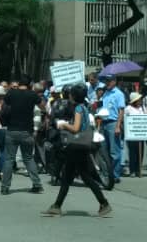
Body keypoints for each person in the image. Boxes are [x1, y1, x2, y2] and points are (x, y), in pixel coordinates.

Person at [42, 84, 111, 217]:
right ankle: (57, 206)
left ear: (73, 96)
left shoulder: (78, 109)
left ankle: (103, 203)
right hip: (82, 145)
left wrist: (63, 125)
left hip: (76, 146)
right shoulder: (84, 107)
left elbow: (76, 128)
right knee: (72, 176)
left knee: (78, 177)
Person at [0, 76, 45, 195]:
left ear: (19, 83)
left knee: (9, 159)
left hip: (12, 130)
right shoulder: (32, 94)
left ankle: (5, 187)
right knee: (29, 158)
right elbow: (43, 107)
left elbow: (3, 107)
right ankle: (37, 184)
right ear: (29, 84)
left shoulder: (11, 93)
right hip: (27, 131)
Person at [96, 73, 126, 188]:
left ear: (114, 81)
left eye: (109, 81)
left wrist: (118, 126)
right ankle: (106, 174)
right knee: (103, 151)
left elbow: (121, 111)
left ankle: (115, 175)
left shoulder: (119, 94)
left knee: (115, 151)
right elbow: (101, 108)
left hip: (113, 123)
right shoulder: (105, 93)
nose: (107, 83)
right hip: (103, 123)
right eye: (105, 81)